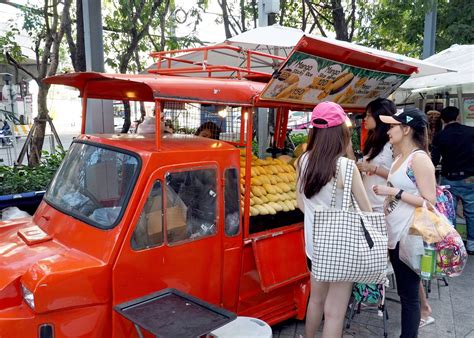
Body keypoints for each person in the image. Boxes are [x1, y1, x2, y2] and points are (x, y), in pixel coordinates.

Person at [296, 102, 371, 338]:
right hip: (341, 247)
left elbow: (300, 204)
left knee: (316, 300)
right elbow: (366, 212)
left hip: (314, 245)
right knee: (335, 312)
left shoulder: (303, 160)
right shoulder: (347, 167)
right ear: (341, 132)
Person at [357, 99, 434, 328]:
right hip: (395, 231)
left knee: (409, 296)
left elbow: (430, 201)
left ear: (406, 129)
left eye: (393, 126)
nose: (388, 130)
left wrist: (393, 191)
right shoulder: (400, 157)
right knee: (404, 293)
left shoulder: (419, 158)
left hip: (409, 233)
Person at [431, 106, 474, 255]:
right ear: (458, 117)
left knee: (449, 212)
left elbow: (434, 160)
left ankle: (453, 245)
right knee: (472, 212)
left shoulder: (440, 136)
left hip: (449, 178)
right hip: (470, 178)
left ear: (443, 120)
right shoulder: (471, 132)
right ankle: (472, 245)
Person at [356, 98, 396, 212]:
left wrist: (372, 168)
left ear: (380, 117)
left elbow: (399, 177)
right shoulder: (372, 141)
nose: (365, 119)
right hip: (368, 202)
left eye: (369, 115)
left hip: (383, 205)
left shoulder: (392, 144)